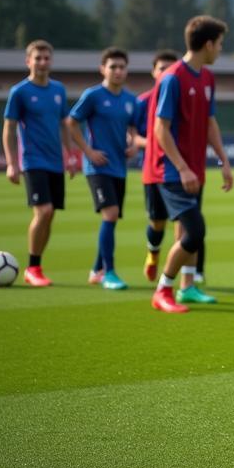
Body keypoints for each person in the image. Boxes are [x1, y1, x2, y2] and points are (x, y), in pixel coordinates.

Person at [145, 17, 233, 313]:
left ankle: (188, 287)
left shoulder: (207, 78)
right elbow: (160, 129)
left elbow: (210, 123)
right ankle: (163, 290)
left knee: (187, 230)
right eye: (220, 43)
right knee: (195, 231)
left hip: (195, 168)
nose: (221, 49)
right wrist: (182, 168)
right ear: (208, 44)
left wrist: (223, 160)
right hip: (171, 170)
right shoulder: (172, 78)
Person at [2, 39, 76, 286]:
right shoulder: (19, 92)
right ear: (28, 61)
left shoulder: (58, 90)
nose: (43, 62)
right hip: (32, 161)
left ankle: (37, 265)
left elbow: (64, 124)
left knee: (50, 214)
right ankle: (33, 267)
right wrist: (12, 163)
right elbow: (9, 129)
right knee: (43, 211)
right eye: (38, 58)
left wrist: (71, 154)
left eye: (47, 58)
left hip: (55, 162)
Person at [67, 47, 139, 290]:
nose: (118, 71)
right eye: (113, 67)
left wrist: (133, 146)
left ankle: (96, 270)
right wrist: (88, 152)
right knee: (110, 214)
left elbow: (134, 129)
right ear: (103, 69)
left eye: (122, 67)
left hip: (119, 167)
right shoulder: (93, 95)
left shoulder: (130, 100)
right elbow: (72, 122)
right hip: (97, 168)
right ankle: (109, 273)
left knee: (113, 218)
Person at [136, 50, 179, 281]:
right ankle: (153, 254)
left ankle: (185, 273)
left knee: (182, 223)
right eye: (162, 68)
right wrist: (158, 142)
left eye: (171, 68)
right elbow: (132, 137)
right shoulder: (142, 102)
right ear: (154, 72)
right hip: (153, 170)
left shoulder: (182, 98)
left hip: (180, 170)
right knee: (158, 222)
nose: (166, 73)